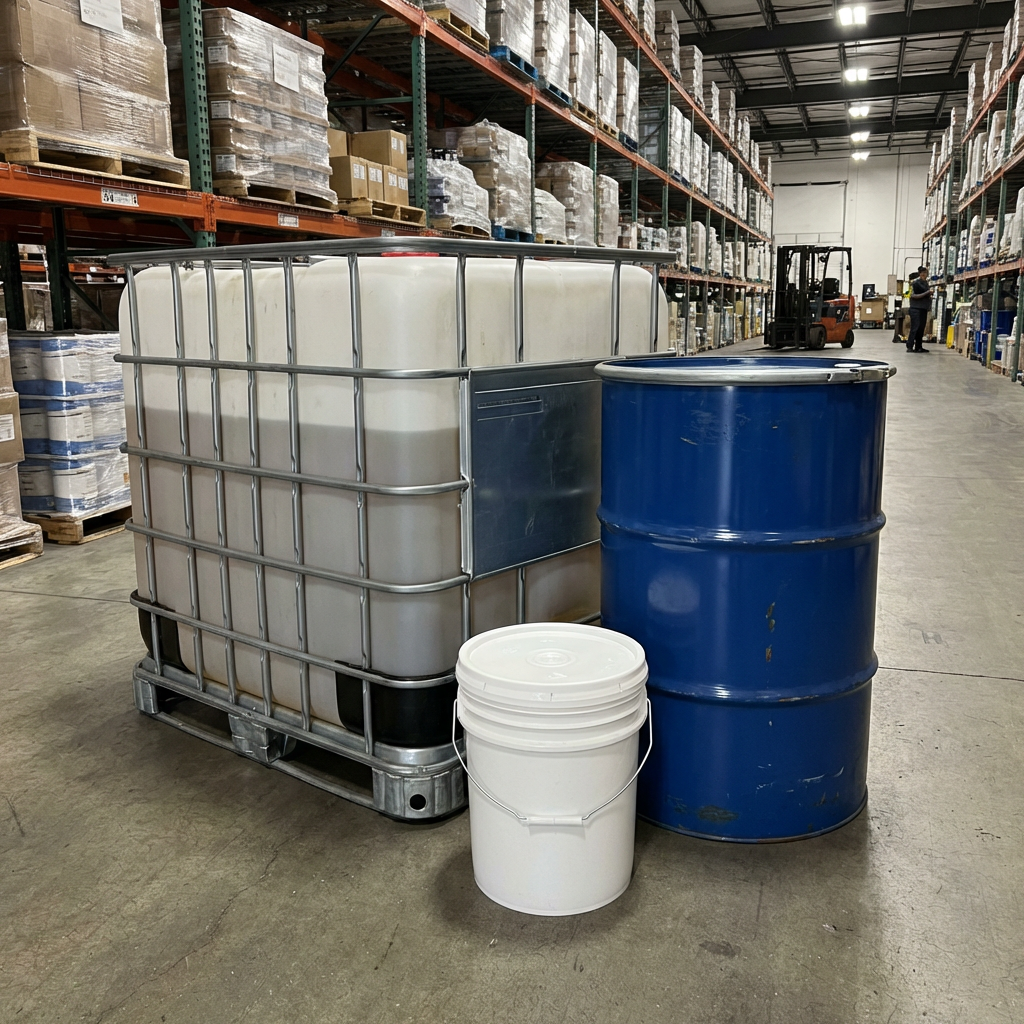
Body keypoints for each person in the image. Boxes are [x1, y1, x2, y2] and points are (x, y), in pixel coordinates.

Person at [907, 266, 932, 353]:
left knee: (921, 328)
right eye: (924, 273)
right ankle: (910, 346)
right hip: (915, 309)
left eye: (926, 273)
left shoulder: (925, 283)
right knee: (915, 328)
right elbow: (913, 296)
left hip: (923, 309)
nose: (925, 275)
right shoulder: (915, 283)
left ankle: (919, 346)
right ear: (920, 274)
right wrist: (927, 293)